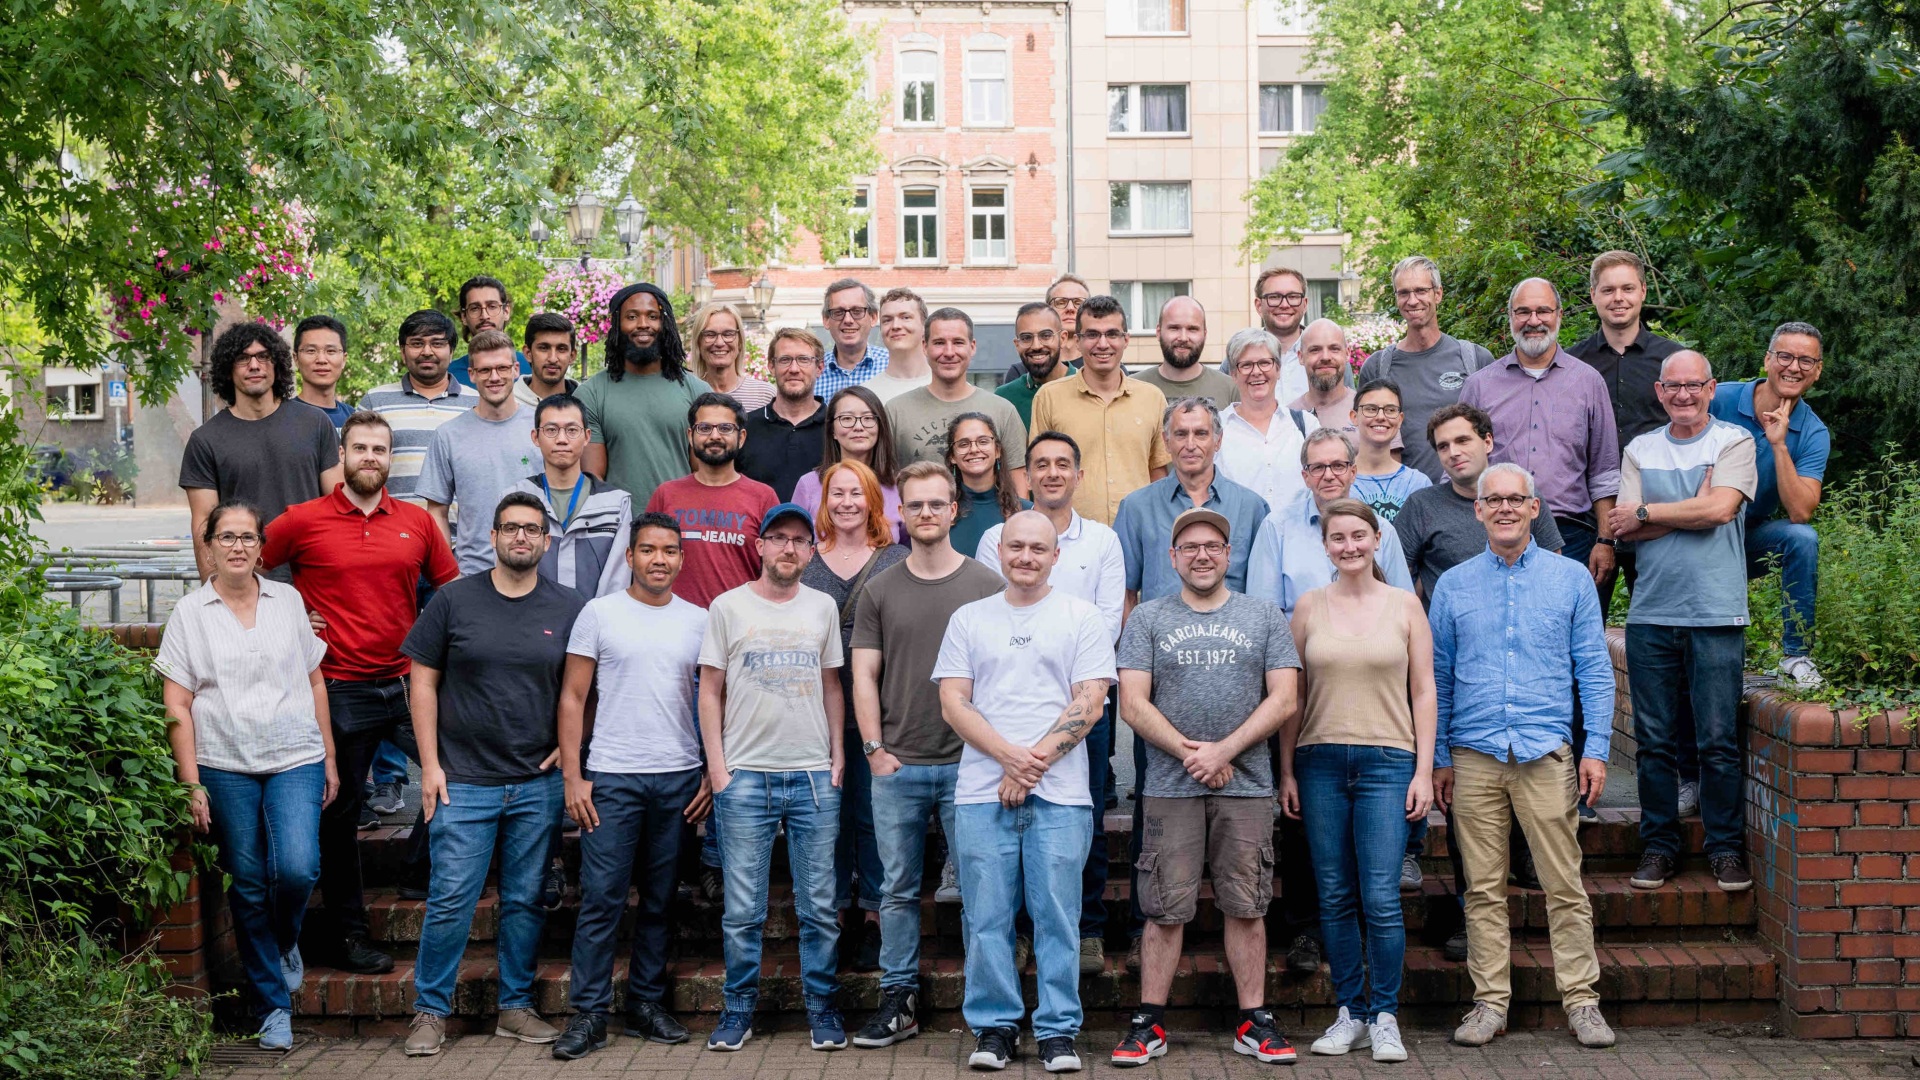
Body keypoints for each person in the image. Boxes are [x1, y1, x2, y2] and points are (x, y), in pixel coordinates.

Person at [260, 411, 459, 976]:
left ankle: (415, 871)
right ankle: (347, 934)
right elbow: (245, 567)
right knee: (339, 814)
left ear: (391, 458)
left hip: (407, 684)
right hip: (339, 687)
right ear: (342, 455)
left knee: (461, 774)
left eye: (380, 449)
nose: (370, 457)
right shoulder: (303, 519)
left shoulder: (417, 523)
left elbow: (451, 592)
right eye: (360, 448)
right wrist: (290, 615)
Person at [1430, 463, 1616, 1050]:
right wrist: (1439, 756)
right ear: (1478, 510)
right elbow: (1438, 677)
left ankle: (1582, 1002)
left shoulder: (1570, 579)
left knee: (1564, 885)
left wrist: (1596, 749)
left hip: (1545, 753)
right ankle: (1489, 1003)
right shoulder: (1454, 585)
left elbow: (1594, 669)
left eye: (1516, 499)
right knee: (1483, 889)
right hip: (1474, 754)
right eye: (1494, 500)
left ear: (1536, 508)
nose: (1505, 508)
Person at [1112, 507, 1302, 1068]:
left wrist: (1224, 751)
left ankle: (1253, 1021)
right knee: (1164, 905)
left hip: (1246, 786)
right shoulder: (1148, 618)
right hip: (1171, 785)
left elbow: (1285, 699)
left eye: (1212, 546)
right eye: (1190, 547)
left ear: (1228, 555)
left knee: (1247, 904)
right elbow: (1132, 703)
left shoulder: (1264, 616)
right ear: (1173, 558)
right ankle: (1149, 1021)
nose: (1202, 555)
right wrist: (1193, 754)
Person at [401, 492, 586, 1056]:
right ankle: (430, 1011)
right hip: (463, 781)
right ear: (493, 537)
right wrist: (430, 766)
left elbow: (585, 689)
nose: (521, 537)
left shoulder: (570, 607)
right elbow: (421, 682)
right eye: (510, 528)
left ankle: (515, 1007)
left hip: (536, 783)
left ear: (546, 541)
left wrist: (569, 748)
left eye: (531, 529)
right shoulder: (453, 601)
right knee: (451, 900)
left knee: (526, 900)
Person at [934, 511, 1115, 1074]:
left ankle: (1058, 1031)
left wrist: (1027, 766)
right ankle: (995, 1028)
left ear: (1056, 556)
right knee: (986, 918)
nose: (1026, 557)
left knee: (1057, 916)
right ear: (1000, 552)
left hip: (1060, 796)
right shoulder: (969, 618)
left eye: (1039, 548)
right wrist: (1010, 759)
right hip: (981, 793)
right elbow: (954, 702)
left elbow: (1090, 702)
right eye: (1017, 547)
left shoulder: (1082, 617)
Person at [158, 500, 336, 1051]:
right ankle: (272, 1007)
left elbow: (314, 681)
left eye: (248, 537)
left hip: (296, 755)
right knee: (250, 881)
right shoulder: (191, 613)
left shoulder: (289, 601)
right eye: (227, 537)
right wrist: (191, 781)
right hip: (224, 763)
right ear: (209, 546)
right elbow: (177, 704)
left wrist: (329, 756)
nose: (238, 546)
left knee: (298, 868)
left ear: (262, 548)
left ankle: (284, 941)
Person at [848, 461, 1007, 1050]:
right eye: (915, 504)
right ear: (900, 513)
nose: (926, 513)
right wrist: (874, 750)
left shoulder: (987, 585)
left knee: (979, 891)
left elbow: (1004, 676)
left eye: (937, 503)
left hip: (972, 767)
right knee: (896, 890)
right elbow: (864, 676)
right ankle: (899, 1002)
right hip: (899, 764)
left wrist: (996, 755)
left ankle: (989, 1012)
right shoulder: (880, 589)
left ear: (954, 509)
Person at [551, 512, 711, 1060]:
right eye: (648, 550)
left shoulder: (699, 619)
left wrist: (710, 772)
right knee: (602, 898)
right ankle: (589, 1014)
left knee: (662, 898)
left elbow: (716, 698)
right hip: (612, 776)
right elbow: (573, 697)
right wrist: (574, 776)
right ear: (630, 556)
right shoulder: (599, 613)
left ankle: (646, 1004)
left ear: (681, 559)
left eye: (668, 550)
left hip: (678, 777)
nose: (658, 560)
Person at [1282, 499, 1434, 1063]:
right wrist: (1286, 769)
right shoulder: (1308, 606)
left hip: (1388, 762)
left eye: (1358, 536)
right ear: (1326, 546)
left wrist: (1423, 770)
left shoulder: (1405, 605)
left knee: (1381, 897)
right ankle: (1351, 1011)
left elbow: (1424, 691)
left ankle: (1385, 1016)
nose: (1349, 546)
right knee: (1335, 894)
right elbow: (1293, 696)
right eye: (1337, 538)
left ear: (1376, 540)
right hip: (1319, 762)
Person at [699, 503, 849, 1053]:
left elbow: (832, 685)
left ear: (811, 552)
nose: (789, 548)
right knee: (743, 910)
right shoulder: (727, 606)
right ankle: (738, 1009)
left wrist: (837, 756)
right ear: (760, 545)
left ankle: (822, 1008)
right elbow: (709, 689)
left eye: (800, 540)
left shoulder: (822, 606)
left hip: (812, 775)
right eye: (779, 537)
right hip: (744, 776)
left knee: (819, 908)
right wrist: (718, 767)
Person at [1608, 350, 1759, 894]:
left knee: (1717, 740)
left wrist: (1652, 510)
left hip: (1716, 611)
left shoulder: (1734, 441)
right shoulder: (1640, 449)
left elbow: (1719, 511)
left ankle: (1724, 849)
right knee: (1654, 743)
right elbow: (1623, 525)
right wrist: (1687, 508)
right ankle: (1658, 846)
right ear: (1659, 392)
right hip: (1650, 613)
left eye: (1694, 385)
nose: (1683, 395)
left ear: (1711, 388)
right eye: (1673, 386)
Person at [976, 433, 1126, 974]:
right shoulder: (997, 537)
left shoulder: (1103, 541)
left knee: (1085, 815)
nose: (1053, 472)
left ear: (1078, 475)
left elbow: (1108, 623)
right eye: (1041, 464)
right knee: (1010, 819)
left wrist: (1065, 680)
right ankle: (1021, 931)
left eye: (1064, 463)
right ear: (1027, 475)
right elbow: (991, 617)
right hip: (1009, 704)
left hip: (1084, 701)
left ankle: (1087, 929)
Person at [799, 460, 908, 974]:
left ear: (873, 501)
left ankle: (875, 917)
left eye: (856, 493)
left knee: (876, 816)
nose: (846, 503)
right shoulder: (805, 558)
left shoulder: (897, 560)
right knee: (830, 819)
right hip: (816, 710)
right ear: (824, 502)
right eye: (837, 494)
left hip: (881, 712)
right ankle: (838, 912)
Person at [1460, 278, 1621, 578]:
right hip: (1497, 529)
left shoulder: (1588, 383)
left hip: (1571, 534)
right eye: (1523, 312)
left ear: (1559, 315)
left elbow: (1604, 472)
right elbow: (1460, 464)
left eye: (1543, 311)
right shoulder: (1480, 386)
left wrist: (1605, 541)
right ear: (1510, 316)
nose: (1533, 321)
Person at [1710, 321, 1829, 689]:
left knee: (1801, 538)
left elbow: (1800, 512)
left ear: (1817, 371)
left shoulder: (1813, 432)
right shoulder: (1719, 399)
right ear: (1767, 360)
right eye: (1785, 356)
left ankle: (1795, 657)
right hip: (1691, 530)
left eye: (1806, 361)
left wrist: (1779, 444)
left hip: (1747, 539)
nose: (1794, 367)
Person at [1567, 250, 1686, 615]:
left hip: (1654, 514)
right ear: (1593, 295)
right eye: (1608, 290)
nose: (1618, 298)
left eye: (1627, 288)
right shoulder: (1571, 364)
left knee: (1659, 627)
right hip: (1586, 519)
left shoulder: (1673, 362)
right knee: (1579, 625)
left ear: (1643, 292)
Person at [180, 322, 344, 581]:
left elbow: (339, 506)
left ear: (277, 364)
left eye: (263, 356)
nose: (255, 365)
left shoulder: (315, 423)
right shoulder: (205, 440)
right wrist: (212, 591)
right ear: (228, 369)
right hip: (243, 583)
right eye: (243, 358)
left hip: (314, 579)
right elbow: (204, 524)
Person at [1396, 404, 1566, 602]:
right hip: (1447, 619)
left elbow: (1554, 568)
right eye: (1443, 446)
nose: (1453, 452)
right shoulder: (1421, 505)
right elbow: (1396, 577)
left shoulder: (1523, 497)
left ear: (1487, 442)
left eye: (1462, 441)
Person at [1115, 397, 1271, 605]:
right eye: (1181, 434)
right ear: (1166, 441)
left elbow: (1265, 592)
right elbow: (1124, 593)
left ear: (1218, 440)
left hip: (1234, 626)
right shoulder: (1136, 508)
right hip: (1160, 626)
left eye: (1201, 434)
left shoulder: (1251, 508)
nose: (1190, 445)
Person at [1030, 295, 1172, 524]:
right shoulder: (1049, 398)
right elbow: (1039, 473)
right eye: (1092, 334)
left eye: (1112, 334)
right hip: (1070, 534)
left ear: (1126, 340)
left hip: (1137, 531)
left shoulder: (1153, 398)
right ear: (1077, 341)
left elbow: (1158, 473)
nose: (1103, 344)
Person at [1247, 429, 1416, 614]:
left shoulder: (1382, 530)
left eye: (1338, 466)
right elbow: (1263, 612)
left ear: (1353, 472)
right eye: (1318, 467)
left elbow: (1404, 606)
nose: (1328, 475)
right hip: (1299, 632)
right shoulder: (1277, 528)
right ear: (1306, 477)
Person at [1355, 256, 1494, 481]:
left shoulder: (1475, 359)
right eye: (1404, 293)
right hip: (1401, 495)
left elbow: (1494, 437)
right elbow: (1368, 441)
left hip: (1464, 494)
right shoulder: (1378, 367)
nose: (1412, 300)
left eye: (1421, 291)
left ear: (1438, 294)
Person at [419, 329, 543, 575]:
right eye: (485, 370)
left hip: (536, 573)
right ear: (472, 374)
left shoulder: (542, 428)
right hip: (472, 574)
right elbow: (437, 512)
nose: (494, 377)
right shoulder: (448, 435)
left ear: (516, 370)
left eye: (502, 368)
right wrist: (449, 576)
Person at [645, 392, 781, 609]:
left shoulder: (764, 497)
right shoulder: (666, 494)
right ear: (690, 436)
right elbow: (645, 564)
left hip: (742, 620)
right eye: (704, 428)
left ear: (741, 437)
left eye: (725, 428)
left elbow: (776, 570)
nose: (715, 436)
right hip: (674, 622)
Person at [579, 282, 713, 500]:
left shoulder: (698, 391)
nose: (643, 324)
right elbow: (593, 480)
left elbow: (705, 474)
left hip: (681, 517)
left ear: (665, 323)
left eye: (652, 316)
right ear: (617, 324)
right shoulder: (591, 394)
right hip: (620, 519)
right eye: (632, 317)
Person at [511, 394, 634, 599]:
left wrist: (593, 618)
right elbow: (508, 574)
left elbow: (617, 582)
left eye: (572, 430)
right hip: (531, 616)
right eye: (551, 430)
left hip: (597, 617)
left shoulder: (615, 504)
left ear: (587, 436)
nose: (561, 439)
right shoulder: (514, 499)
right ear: (535, 437)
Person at [887, 307, 1029, 480]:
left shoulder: (1003, 411)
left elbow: (1018, 485)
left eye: (958, 342)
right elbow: (884, 483)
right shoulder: (896, 411)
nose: (949, 352)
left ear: (972, 347)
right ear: (924, 346)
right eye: (939, 343)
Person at [356, 309, 476, 504]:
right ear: (403, 352)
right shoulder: (375, 402)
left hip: (459, 523)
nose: (427, 352)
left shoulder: (476, 403)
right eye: (417, 343)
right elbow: (354, 467)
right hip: (390, 521)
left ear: (451, 351)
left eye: (437, 343)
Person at [1216, 327, 1320, 513]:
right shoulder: (1217, 428)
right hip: (1239, 531)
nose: (1256, 372)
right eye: (1246, 365)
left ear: (1278, 369)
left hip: (1296, 530)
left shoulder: (1306, 425)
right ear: (1233, 374)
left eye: (1265, 363)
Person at [791, 386, 907, 543]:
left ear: (880, 426)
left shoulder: (898, 486)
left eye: (868, 418)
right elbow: (794, 543)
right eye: (846, 419)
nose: (858, 427)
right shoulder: (809, 485)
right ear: (832, 430)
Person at [736, 327, 829, 500]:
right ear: (771, 366)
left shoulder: (837, 428)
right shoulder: (745, 428)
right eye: (785, 360)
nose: (794, 369)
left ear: (819, 367)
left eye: (803, 360)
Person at [946, 412, 1030, 563]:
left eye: (983, 441)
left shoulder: (1027, 512)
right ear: (952, 456)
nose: (974, 449)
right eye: (963, 444)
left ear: (997, 451)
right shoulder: (942, 514)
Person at [1217, 268, 1313, 397]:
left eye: (1293, 297)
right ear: (1259, 306)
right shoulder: (1238, 357)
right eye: (1274, 297)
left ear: (1305, 304)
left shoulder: (1325, 356)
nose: (1284, 304)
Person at [1346, 379, 1430, 522]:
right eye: (1371, 409)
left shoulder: (1418, 484)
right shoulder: (1339, 479)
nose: (1380, 417)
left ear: (1400, 419)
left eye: (1390, 410)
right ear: (1354, 417)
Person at [1132, 295, 1239, 406]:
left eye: (1192, 329)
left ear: (1205, 334)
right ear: (1158, 332)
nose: (1183, 338)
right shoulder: (1130, 389)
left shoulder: (1232, 390)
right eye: (1174, 328)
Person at [995, 301, 1077, 427]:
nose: (1036, 346)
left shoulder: (1087, 388)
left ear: (1062, 338)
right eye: (1026, 338)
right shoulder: (1004, 398)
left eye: (1046, 336)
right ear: (1017, 344)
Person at [1003, 274, 1092, 384]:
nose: (1070, 308)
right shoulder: (1020, 372)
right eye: (1061, 302)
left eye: (1078, 303)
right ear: (1048, 309)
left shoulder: (1101, 368)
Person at [688, 302, 774, 411]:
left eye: (728, 334)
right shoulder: (688, 396)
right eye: (710, 334)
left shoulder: (764, 396)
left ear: (740, 342)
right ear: (698, 343)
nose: (719, 343)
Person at [448, 274, 531, 386]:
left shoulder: (532, 368)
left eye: (492, 306)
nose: (484, 316)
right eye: (475, 308)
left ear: (506, 311)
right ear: (464, 317)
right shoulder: (450, 376)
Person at [817, 278, 890, 400]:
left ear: (873, 317)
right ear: (826, 320)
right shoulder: (812, 372)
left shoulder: (892, 365)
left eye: (857, 311)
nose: (848, 320)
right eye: (838, 312)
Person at [1288, 319, 1358, 435]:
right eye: (1315, 350)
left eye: (1334, 349)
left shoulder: (1367, 412)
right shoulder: (1287, 418)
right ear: (1301, 357)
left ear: (1347, 353)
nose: (1325, 357)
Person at [865, 288, 934, 404]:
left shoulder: (948, 386)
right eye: (887, 320)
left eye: (905, 317)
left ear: (925, 326)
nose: (895, 326)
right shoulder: (867, 395)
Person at [293, 315, 354, 428]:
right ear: (296, 359)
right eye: (311, 351)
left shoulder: (355, 419)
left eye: (330, 351)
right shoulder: (281, 416)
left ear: (344, 360)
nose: (321, 360)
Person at [514, 312, 581, 408]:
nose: (553, 359)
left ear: (572, 356)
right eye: (543, 348)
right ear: (528, 353)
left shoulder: (589, 403)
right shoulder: (508, 403)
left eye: (561, 349)